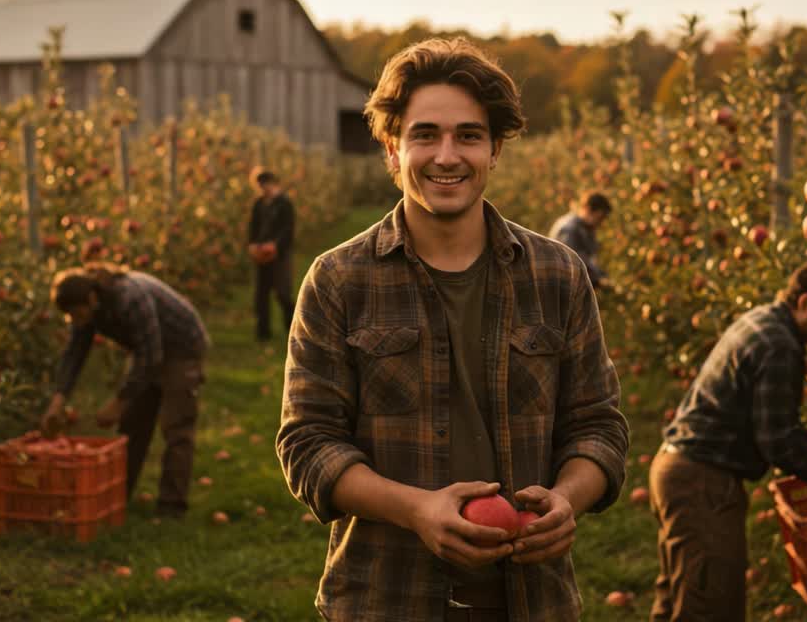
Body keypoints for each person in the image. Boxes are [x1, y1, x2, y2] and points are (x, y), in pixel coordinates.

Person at [276, 37, 629, 622]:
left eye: (468, 135)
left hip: (532, 599)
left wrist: (568, 500)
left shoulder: (557, 274)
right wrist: (415, 509)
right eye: (425, 135)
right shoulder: (339, 281)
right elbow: (308, 445)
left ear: (494, 150)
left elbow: (598, 425)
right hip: (387, 597)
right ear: (392, 150)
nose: (447, 155)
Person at [649, 259, 807, 621]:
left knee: (679, 603)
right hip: (702, 484)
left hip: (676, 472)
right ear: (804, 303)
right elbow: (778, 444)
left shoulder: (762, 320)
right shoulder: (782, 346)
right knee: (710, 609)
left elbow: (767, 423)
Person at [40, 263, 210, 518]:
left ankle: (171, 507)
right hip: (148, 349)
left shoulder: (129, 298)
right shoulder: (87, 309)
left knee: (177, 426)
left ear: (91, 298)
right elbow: (74, 354)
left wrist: (118, 402)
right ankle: (119, 497)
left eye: (76, 314)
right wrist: (57, 401)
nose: (75, 321)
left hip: (182, 347)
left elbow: (151, 357)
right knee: (132, 425)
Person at [247, 167, 296, 341]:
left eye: (265, 185)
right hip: (262, 253)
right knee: (261, 293)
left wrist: (276, 246)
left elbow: (288, 230)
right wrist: (253, 245)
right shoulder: (258, 204)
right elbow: (253, 227)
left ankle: (292, 328)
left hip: (279, 255)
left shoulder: (284, 204)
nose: (263, 189)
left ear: (272, 184)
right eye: (259, 186)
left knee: (282, 293)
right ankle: (263, 332)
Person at [548, 191, 612, 289]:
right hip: (559, 286)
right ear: (588, 209)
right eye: (600, 217)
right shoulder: (570, 229)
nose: (601, 223)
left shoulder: (585, 228)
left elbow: (588, 261)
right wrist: (598, 279)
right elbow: (572, 263)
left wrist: (601, 276)